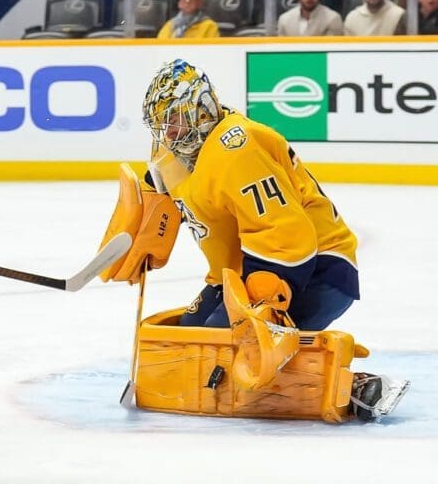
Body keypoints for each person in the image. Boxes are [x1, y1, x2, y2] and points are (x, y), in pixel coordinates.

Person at [136, 58, 404, 421]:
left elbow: (285, 233)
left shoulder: (236, 147)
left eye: (176, 121)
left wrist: (264, 306)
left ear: (203, 110)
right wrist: (136, 235)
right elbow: (157, 193)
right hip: (243, 271)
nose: (168, 134)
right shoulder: (178, 152)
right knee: (189, 339)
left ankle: (351, 384)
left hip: (316, 269)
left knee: (233, 356)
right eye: (162, 125)